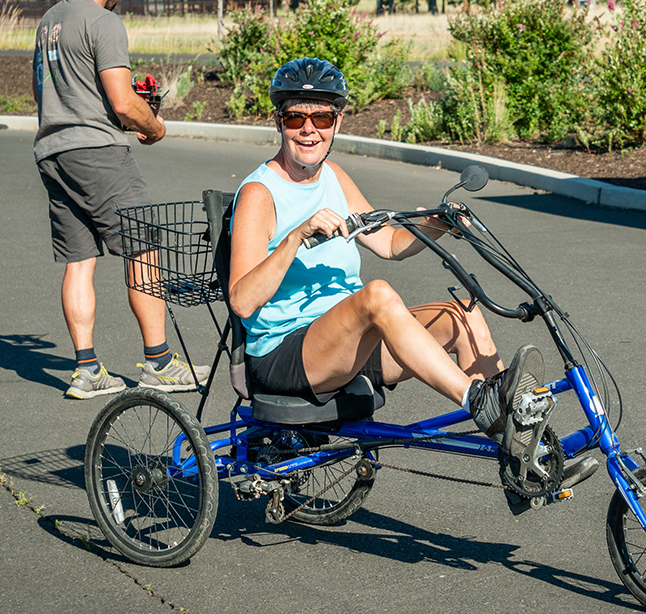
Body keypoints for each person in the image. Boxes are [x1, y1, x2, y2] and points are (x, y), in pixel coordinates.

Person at [228, 57, 546, 458]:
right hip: (287, 353)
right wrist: (295, 236)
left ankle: (523, 455)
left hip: (348, 344)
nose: (309, 130)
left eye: (322, 118)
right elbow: (241, 300)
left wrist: (436, 224)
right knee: (376, 295)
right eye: (295, 118)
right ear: (279, 123)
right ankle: (478, 401)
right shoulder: (259, 193)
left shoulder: (334, 177)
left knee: (462, 317)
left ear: (337, 123)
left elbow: (389, 244)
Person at [32, 0, 209, 399]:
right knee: (143, 247)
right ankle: (159, 363)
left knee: (79, 260)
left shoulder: (49, 22)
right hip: (98, 151)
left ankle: (87, 369)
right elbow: (124, 102)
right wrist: (154, 125)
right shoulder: (103, 21)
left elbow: (46, 91)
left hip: (53, 150)